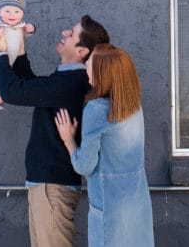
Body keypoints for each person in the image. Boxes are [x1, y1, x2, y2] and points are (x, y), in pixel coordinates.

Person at [0, 14, 110, 247]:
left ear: (82, 51)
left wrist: (1, 52)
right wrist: (19, 50)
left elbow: (15, 91)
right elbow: (32, 87)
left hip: (53, 187)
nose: (64, 33)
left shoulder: (72, 82)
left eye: (71, 34)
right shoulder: (66, 80)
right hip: (47, 184)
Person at [54, 44, 154, 247]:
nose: (86, 66)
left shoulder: (96, 109)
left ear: (102, 73)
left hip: (109, 208)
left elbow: (84, 165)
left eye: (90, 63)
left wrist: (68, 139)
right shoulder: (134, 106)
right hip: (137, 204)